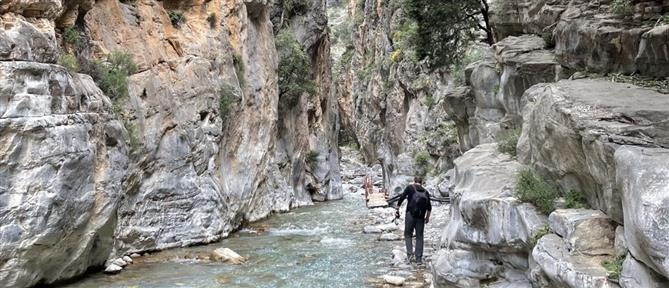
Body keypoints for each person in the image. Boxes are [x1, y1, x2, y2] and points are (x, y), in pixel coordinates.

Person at [396, 176, 432, 265]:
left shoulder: (410, 187)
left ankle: (410, 255)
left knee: (408, 234)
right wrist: (427, 218)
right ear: (422, 182)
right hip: (421, 217)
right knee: (420, 237)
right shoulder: (425, 192)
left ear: (414, 181)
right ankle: (418, 259)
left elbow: (402, 197)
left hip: (410, 215)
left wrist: (397, 207)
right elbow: (429, 207)